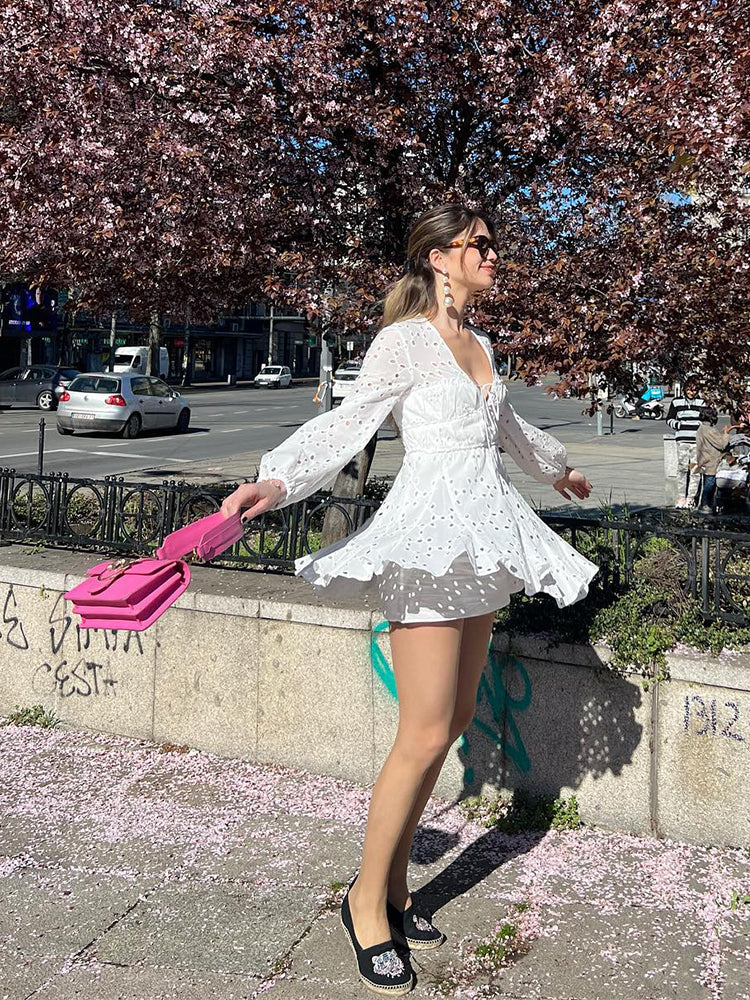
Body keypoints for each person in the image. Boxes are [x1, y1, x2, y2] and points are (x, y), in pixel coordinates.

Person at [220, 203, 598, 995]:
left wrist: (557, 472)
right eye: (480, 245)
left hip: (481, 537)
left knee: (454, 721)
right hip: (427, 541)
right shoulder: (405, 342)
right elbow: (348, 421)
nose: (494, 255)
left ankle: (394, 887)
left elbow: (509, 428)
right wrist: (279, 478)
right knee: (425, 731)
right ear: (439, 257)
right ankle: (365, 899)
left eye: (494, 242)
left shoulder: (480, 344)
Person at [666, 378, 710, 508]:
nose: (692, 392)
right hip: (682, 439)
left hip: (697, 441)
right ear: (685, 389)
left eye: (695, 389)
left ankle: (691, 498)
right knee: (682, 468)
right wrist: (678, 425)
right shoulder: (677, 402)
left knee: (695, 469)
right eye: (690, 389)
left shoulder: (701, 402)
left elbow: (707, 418)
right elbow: (669, 418)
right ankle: (681, 497)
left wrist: (700, 427)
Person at [695, 408, 730, 514]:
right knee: (709, 485)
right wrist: (725, 433)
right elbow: (722, 444)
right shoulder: (710, 430)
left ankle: (706, 504)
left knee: (707, 483)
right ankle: (704, 505)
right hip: (711, 461)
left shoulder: (701, 428)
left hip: (704, 460)